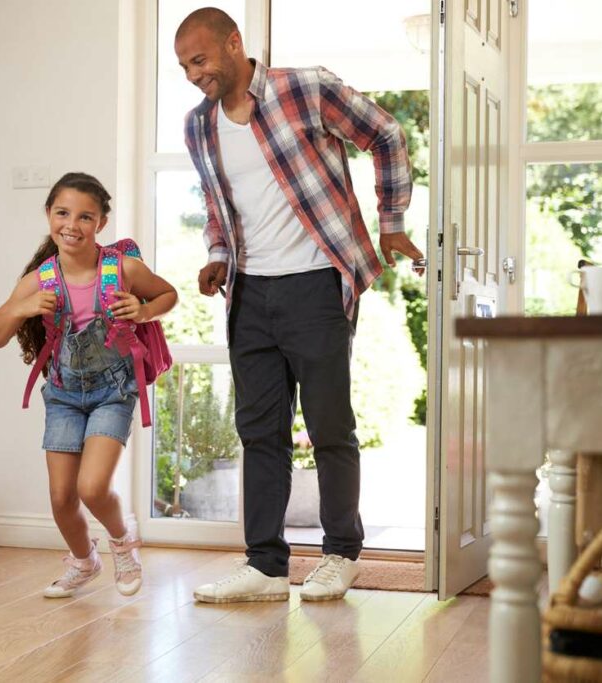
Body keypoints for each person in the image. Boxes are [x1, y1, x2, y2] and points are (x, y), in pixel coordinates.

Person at [175, 8, 425, 603]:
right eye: (185, 66)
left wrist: (391, 224)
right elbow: (218, 208)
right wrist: (217, 253)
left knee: (329, 426)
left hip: (315, 280)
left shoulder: (304, 89)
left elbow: (386, 134)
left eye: (200, 60)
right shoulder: (198, 126)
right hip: (249, 291)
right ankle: (264, 566)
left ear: (235, 45)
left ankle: (341, 554)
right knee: (259, 432)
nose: (193, 75)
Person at [0, 172, 178, 598]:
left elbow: (167, 295)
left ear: (101, 223)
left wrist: (141, 312)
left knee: (92, 487)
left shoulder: (121, 268)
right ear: (49, 215)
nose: (72, 224)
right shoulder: (39, 279)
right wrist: (24, 308)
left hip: (114, 391)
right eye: (62, 213)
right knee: (61, 497)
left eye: (85, 216)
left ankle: (123, 544)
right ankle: (84, 561)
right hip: (64, 395)